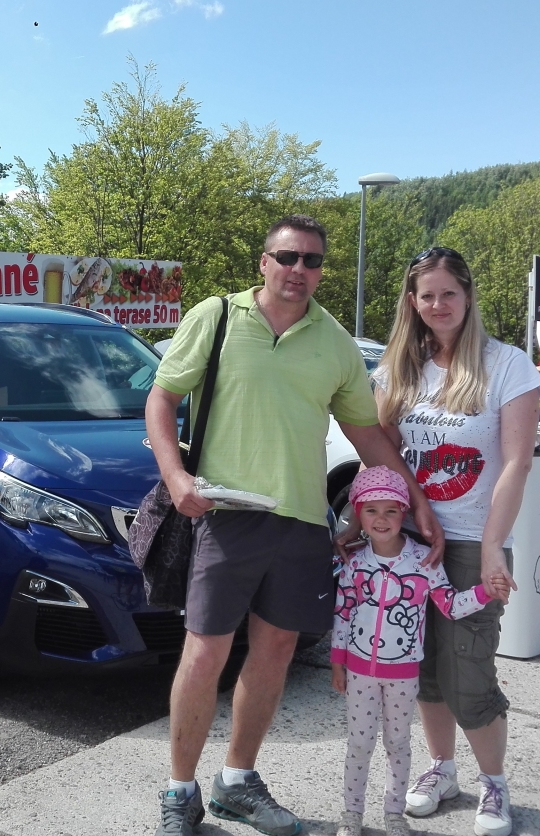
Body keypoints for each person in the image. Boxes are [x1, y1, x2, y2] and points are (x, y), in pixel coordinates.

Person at [146, 214, 443, 836]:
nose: (298, 269)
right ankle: (180, 791)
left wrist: (415, 498)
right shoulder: (217, 317)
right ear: (264, 262)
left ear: (321, 270)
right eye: (287, 257)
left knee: (277, 650)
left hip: (304, 521)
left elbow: (367, 436)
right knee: (205, 652)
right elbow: (162, 398)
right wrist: (176, 478)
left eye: (311, 260)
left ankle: (236, 782)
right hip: (227, 514)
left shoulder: (334, 341)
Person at [360, 247, 540, 836]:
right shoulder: (397, 370)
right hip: (410, 544)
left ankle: (495, 783)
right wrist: (376, 522)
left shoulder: (507, 364)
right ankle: (442, 769)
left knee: (469, 673)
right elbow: (384, 455)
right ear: (412, 302)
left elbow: (516, 464)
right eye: (427, 295)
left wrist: (492, 547)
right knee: (423, 669)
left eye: (449, 294)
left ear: (467, 296)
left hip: (470, 544)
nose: (438, 305)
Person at [331, 466, 503, 836]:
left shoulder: (424, 561)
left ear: (404, 513)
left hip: (404, 675)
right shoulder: (354, 561)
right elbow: (343, 613)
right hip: (360, 673)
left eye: (391, 510)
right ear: (358, 513)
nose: (381, 519)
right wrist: (338, 662)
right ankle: (352, 815)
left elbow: (450, 605)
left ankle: (394, 814)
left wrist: (486, 592)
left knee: (398, 744)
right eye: (371, 510)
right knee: (359, 744)